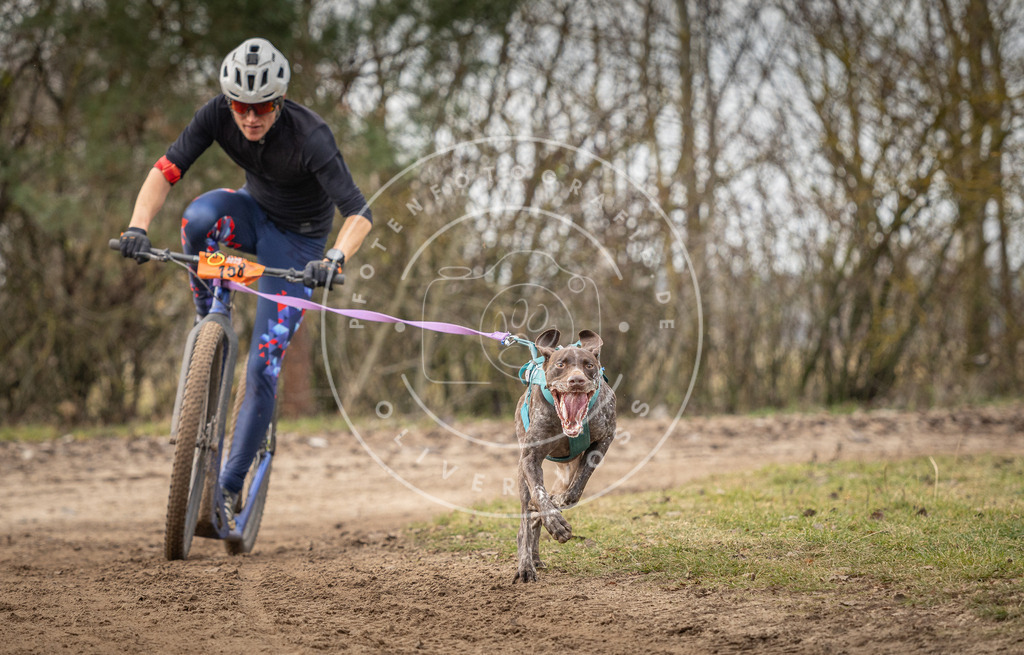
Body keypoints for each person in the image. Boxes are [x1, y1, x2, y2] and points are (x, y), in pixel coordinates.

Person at [119, 37, 372, 526]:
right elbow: (165, 171)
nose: (250, 118)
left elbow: (358, 213)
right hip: (251, 212)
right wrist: (137, 226)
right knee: (199, 220)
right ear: (228, 101)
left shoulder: (310, 135)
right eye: (240, 106)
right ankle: (209, 315)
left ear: (278, 103)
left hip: (298, 243)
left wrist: (334, 257)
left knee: (262, 366)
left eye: (261, 108)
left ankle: (229, 490)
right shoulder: (215, 114)